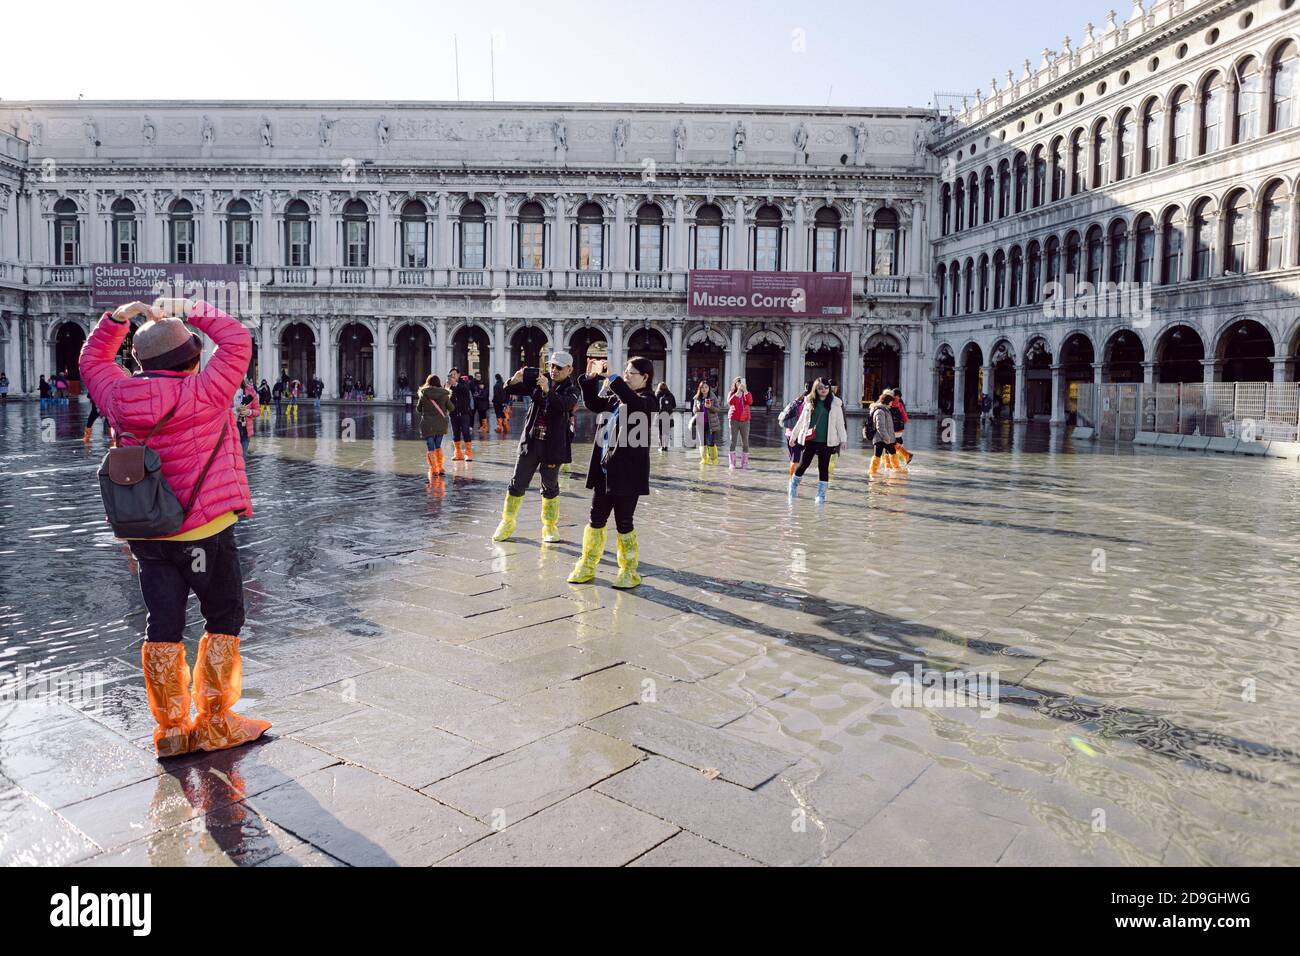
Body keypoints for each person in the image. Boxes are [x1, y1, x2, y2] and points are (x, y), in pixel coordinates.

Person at [79, 296, 269, 759]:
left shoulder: (117, 396)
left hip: (147, 532)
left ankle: (171, 730)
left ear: (140, 360)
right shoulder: (208, 389)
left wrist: (117, 320)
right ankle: (217, 721)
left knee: (161, 623)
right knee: (222, 616)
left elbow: (92, 360)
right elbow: (237, 338)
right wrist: (187, 307)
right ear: (191, 356)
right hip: (204, 531)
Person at [568, 356, 657, 589]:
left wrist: (614, 379)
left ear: (645, 377)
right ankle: (587, 564)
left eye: (631, 373)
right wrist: (589, 381)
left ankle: (628, 570)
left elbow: (634, 404)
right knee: (595, 518)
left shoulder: (648, 400)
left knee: (624, 521)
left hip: (628, 471)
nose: (626, 375)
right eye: (625, 371)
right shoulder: (616, 397)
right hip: (604, 467)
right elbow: (595, 405)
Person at [491, 353, 579, 544]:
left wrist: (548, 391)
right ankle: (507, 522)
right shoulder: (539, 382)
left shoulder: (572, 390)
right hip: (531, 442)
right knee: (517, 482)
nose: (554, 370)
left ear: (569, 370)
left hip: (553, 446)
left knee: (550, 487)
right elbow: (511, 389)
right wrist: (515, 379)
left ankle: (549, 526)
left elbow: (563, 405)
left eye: (559, 367)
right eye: (552, 366)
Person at [789, 378, 847, 504]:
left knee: (823, 467)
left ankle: (821, 495)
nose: (824, 390)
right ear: (816, 389)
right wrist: (794, 436)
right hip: (811, 439)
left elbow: (840, 424)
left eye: (826, 387)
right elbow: (801, 421)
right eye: (820, 388)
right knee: (804, 464)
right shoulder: (809, 401)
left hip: (827, 441)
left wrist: (843, 440)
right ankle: (793, 486)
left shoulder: (836, 403)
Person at [416, 374, 451, 482]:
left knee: (430, 445)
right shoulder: (444, 394)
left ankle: (433, 469)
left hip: (428, 424)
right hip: (440, 423)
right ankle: (440, 467)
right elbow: (451, 407)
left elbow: (418, 409)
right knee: (437, 445)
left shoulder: (423, 394)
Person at [778, 383, 810, 479]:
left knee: (793, 457)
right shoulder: (806, 403)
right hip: (796, 434)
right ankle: (793, 479)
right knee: (796, 459)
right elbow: (803, 421)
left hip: (788, 433)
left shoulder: (797, 400)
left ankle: (792, 478)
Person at [868, 391, 900, 477]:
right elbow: (880, 427)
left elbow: (889, 427)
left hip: (886, 438)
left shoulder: (886, 410)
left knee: (891, 453)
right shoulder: (880, 411)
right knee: (878, 455)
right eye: (890, 402)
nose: (891, 404)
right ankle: (873, 471)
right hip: (880, 439)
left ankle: (895, 469)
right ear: (887, 402)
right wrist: (887, 438)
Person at [448, 367, 475, 460]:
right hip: (453, 413)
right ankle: (458, 453)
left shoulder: (464, 383)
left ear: (459, 375)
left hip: (464, 413)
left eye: (454, 374)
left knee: (466, 432)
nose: (453, 376)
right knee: (455, 434)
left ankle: (468, 453)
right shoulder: (448, 385)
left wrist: (455, 384)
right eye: (451, 374)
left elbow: (465, 391)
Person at [726, 377, 753, 469]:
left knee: (745, 442)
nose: (740, 384)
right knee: (732, 441)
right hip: (734, 419)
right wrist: (737, 392)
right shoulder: (732, 393)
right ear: (736, 384)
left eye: (742, 382)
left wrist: (745, 391)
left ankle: (744, 463)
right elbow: (730, 402)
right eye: (739, 382)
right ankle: (732, 463)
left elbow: (750, 401)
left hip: (745, 420)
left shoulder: (747, 393)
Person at [692, 380, 721, 464]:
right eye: (702, 388)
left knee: (711, 442)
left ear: (709, 388)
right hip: (700, 422)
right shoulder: (697, 398)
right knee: (702, 442)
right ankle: (704, 459)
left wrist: (710, 407)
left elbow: (718, 409)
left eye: (706, 387)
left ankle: (714, 459)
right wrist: (696, 408)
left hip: (711, 423)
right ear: (700, 389)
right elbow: (693, 410)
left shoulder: (713, 397)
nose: (704, 389)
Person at [235, 378, 260, 456]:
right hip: (231, 429)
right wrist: (235, 410)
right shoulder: (227, 390)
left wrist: (249, 412)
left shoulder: (250, 390)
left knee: (242, 458)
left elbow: (258, 411)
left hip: (245, 430)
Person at [890, 388, 914, 465]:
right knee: (896, 442)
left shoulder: (890, 404)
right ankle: (903, 457)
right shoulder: (900, 404)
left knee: (889, 445)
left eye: (896, 396)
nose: (895, 398)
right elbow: (905, 418)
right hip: (899, 429)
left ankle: (904, 456)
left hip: (893, 429)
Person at [655, 382, 676, 452]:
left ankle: (661, 447)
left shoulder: (657, 394)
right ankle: (666, 447)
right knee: (667, 432)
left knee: (660, 432)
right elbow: (674, 405)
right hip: (669, 415)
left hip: (660, 415)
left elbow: (655, 406)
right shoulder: (670, 395)